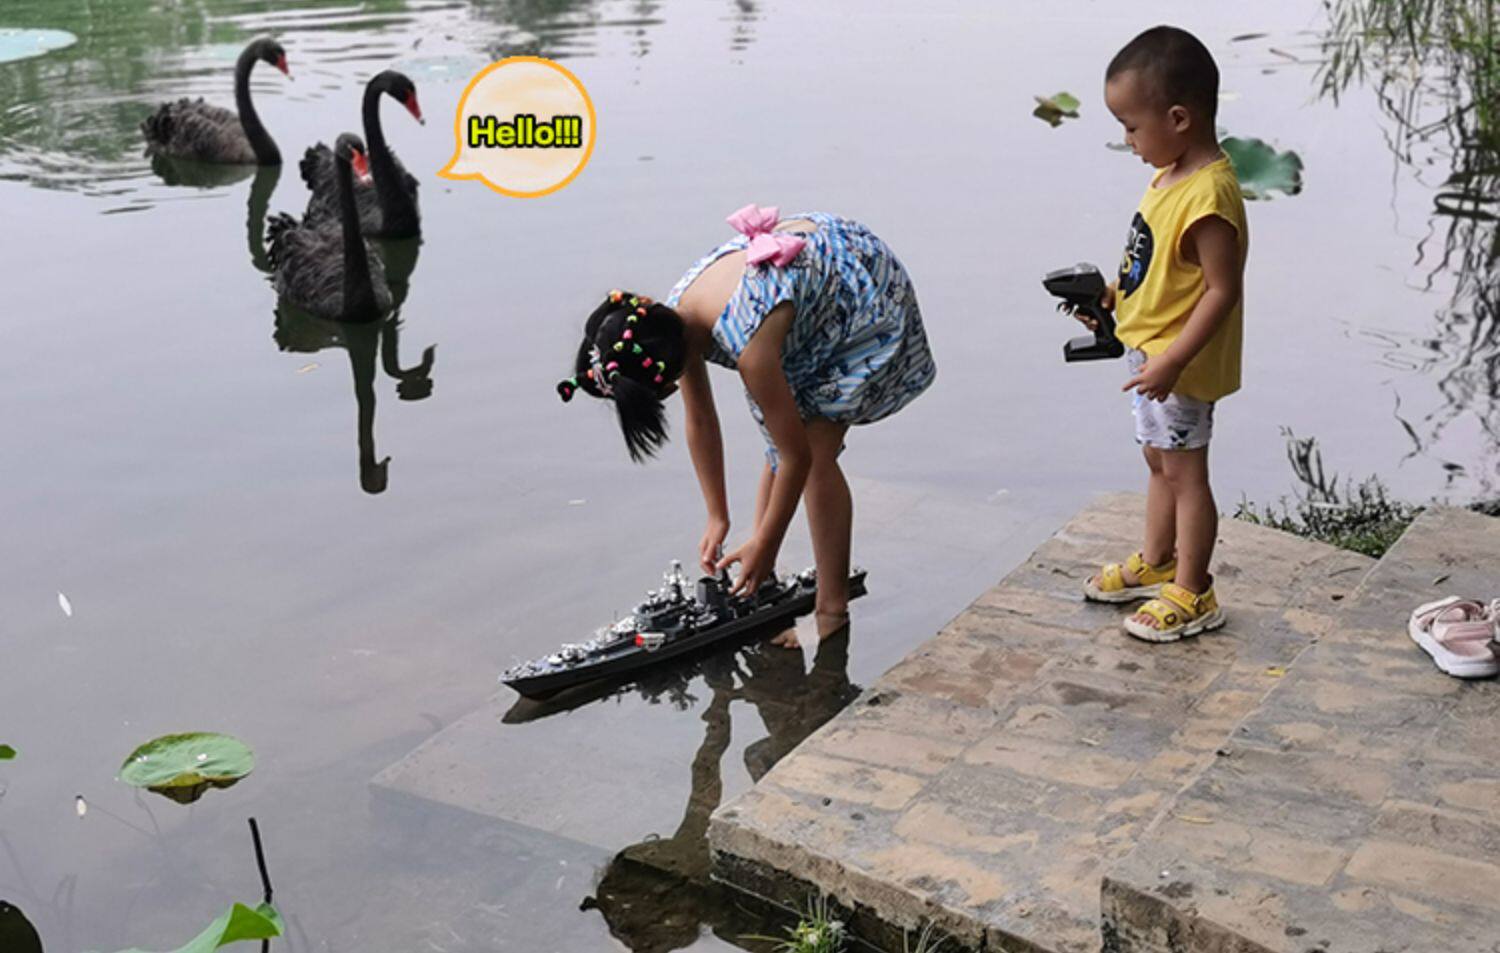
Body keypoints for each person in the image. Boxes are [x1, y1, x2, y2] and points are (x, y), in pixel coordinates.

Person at [558, 206, 935, 637]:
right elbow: (701, 422)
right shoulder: (668, 325)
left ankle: (831, 610)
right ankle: (764, 582)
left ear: (663, 379)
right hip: (803, 287)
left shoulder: (748, 346)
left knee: (816, 454)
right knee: (784, 433)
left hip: (861, 290)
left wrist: (766, 543)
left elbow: (796, 458)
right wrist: (717, 515)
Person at [1080, 26, 1249, 642]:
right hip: (1150, 354)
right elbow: (1156, 265)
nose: (1127, 140)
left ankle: (1195, 588)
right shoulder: (1170, 175)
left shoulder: (1210, 197)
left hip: (1180, 362)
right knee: (1158, 461)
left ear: (1178, 118)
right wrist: (1112, 297)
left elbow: (1220, 290)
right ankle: (1158, 560)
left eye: (1131, 126)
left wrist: (1175, 359)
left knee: (1186, 474)